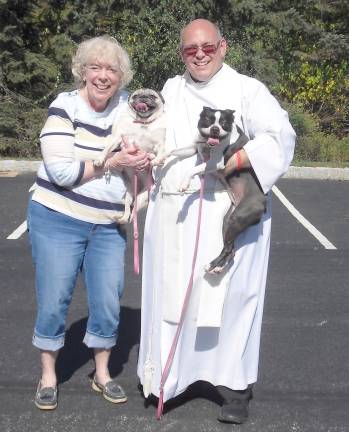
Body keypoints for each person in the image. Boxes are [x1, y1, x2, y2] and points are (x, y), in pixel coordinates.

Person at [137, 19, 296, 424]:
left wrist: (233, 159)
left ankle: (233, 387)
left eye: (208, 46)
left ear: (223, 46)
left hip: (227, 212)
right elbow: (150, 130)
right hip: (175, 214)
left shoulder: (248, 90)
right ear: (181, 54)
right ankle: (170, 380)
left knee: (232, 299)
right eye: (191, 49)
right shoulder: (171, 90)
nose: (201, 54)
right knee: (173, 295)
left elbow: (280, 137)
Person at [27, 35, 150, 410]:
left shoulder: (131, 109)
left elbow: (152, 140)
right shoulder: (64, 107)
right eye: (94, 67)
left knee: (108, 301)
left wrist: (146, 158)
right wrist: (109, 164)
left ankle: (103, 373)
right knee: (53, 300)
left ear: (121, 76)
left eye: (111, 69)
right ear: (82, 71)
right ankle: (48, 375)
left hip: (109, 222)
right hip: (57, 218)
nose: (102, 76)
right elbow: (61, 171)